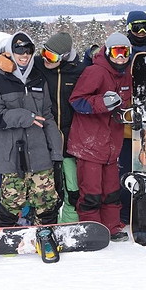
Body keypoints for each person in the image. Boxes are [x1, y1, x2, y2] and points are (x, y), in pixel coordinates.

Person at [0, 32, 62, 227]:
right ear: (11, 52)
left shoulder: (38, 79)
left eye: (28, 50)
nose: (24, 55)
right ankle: (6, 240)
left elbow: (48, 116)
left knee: (46, 201)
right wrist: (24, 117)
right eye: (19, 51)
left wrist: (56, 152)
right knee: (11, 202)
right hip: (11, 157)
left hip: (40, 154)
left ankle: (45, 235)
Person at [68, 32, 133, 241]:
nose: (121, 57)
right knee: (92, 191)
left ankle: (112, 226)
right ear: (108, 51)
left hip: (112, 143)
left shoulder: (126, 74)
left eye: (125, 52)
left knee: (112, 190)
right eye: (116, 52)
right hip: (90, 143)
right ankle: (92, 228)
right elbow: (76, 100)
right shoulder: (95, 71)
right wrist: (102, 102)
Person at [36, 32, 86, 224]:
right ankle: (49, 226)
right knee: (48, 190)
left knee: (73, 189)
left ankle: (69, 224)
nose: (46, 59)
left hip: (71, 142)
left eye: (52, 56)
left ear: (64, 56)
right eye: (44, 53)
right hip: (45, 142)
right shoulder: (38, 66)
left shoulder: (78, 71)